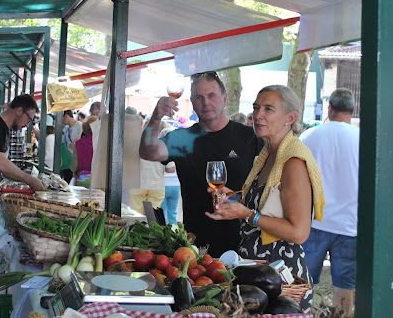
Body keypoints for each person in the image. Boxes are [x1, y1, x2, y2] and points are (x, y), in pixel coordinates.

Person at [205, 85, 325, 312]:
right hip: (259, 273)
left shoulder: (293, 162)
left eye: (269, 109)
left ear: (290, 118)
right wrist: (233, 198)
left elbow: (299, 232)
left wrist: (248, 214)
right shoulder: (268, 156)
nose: (258, 115)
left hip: (280, 278)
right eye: (256, 107)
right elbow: (265, 204)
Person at [140, 71, 264, 256]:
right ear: (192, 102)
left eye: (211, 96)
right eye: (199, 97)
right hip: (196, 245)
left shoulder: (249, 137)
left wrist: (238, 199)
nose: (206, 102)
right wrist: (156, 117)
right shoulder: (182, 139)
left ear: (224, 98)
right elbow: (148, 152)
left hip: (244, 243)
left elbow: (269, 185)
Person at [299, 88, 359, 318]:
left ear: (329, 108)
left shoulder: (309, 136)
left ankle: (300, 315)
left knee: (303, 282)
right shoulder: (362, 139)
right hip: (349, 224)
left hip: (313, 222)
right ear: (352, 111)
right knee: (344, 286)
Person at [159, 127, 180, 224]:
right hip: (176, 185)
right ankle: (173, 232)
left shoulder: (160, 150)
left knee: (161, 213)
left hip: (163, 185)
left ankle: (163, 234)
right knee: (173, 213)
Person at [71, 116, 98, 187]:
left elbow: (74, 166)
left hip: (82, 180)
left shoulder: (79, 143)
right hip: (98, 180)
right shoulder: (101, 143)